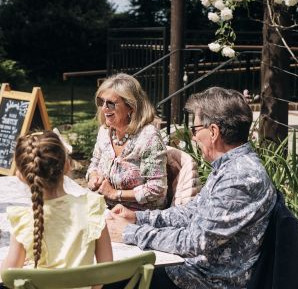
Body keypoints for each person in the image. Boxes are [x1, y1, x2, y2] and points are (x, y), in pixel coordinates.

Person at [106, 87, 277, 289]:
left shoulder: (240, 178)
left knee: (111, 279)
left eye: (195, 130)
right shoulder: (231, 165)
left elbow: (194, 242)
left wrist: (130, 233)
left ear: (213, 131)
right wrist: (137, 218)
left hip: (208, 280)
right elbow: (192, 212)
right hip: (195, 270)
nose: (193, 138)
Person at [1, 131, 112, 289]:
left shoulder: (25, 219)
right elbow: (105, 272)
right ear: (67, 166)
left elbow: (8, 275)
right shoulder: (92, 208)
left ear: (21, 176)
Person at [86, 73, 167, 211]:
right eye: (101, 101)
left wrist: (115, 194)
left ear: (131, 106)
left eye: (110, 103)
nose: (104, 108)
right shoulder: (104, 132)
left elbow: (157, 188)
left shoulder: (148, 137)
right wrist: (93, 177)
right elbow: (95, 163)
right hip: (105, 208)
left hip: (139, 215)